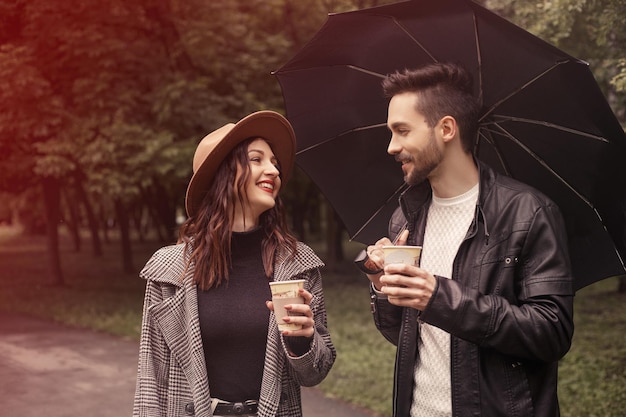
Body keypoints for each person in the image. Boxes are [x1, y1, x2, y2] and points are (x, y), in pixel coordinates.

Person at [356, 63, 574, 417]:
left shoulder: (528, 213)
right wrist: (383, 287)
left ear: (446, 128)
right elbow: (405, 336)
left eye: (402, 131)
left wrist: (438, 297)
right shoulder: (407, 217)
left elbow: (552, 333)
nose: (391, 147)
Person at [133, 110, 336, 417]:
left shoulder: (297, 266)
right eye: (257, 159)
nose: (273, 170)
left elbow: (314, 374)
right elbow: (151, 381)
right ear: (223, 174)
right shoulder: (168, 270)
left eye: (275, 163)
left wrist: (303, 340)